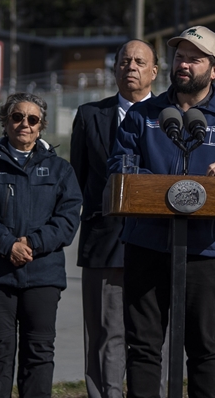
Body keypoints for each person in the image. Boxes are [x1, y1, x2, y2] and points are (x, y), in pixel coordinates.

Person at [111, 25, 215, 398]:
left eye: (194, 59)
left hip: (204, 250)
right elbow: (120, 165)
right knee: (144, 345)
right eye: (180, 57)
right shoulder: (143, 114)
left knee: (201, 345)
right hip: (146, 245)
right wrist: (154, 184)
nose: (183, 64)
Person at [0, 93, 82, 398]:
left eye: (32, 119)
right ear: (5, 122)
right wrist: (8, 245)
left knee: (39, 355)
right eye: (17, 117)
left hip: (43, 276)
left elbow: (67, 219)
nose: (24, 124)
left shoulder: (61, 171)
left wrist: (32, 244)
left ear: (41, 126)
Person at [70, 40, 159, 398]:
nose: (131, 67)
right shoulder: (90, 115)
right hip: (103, 242)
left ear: (154, 71)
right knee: (103, 333)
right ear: (115, 69)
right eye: (124, 61)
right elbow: (77, 179)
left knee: (151, 334)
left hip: (155, 240)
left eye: (140, 61)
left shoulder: (171, 116)